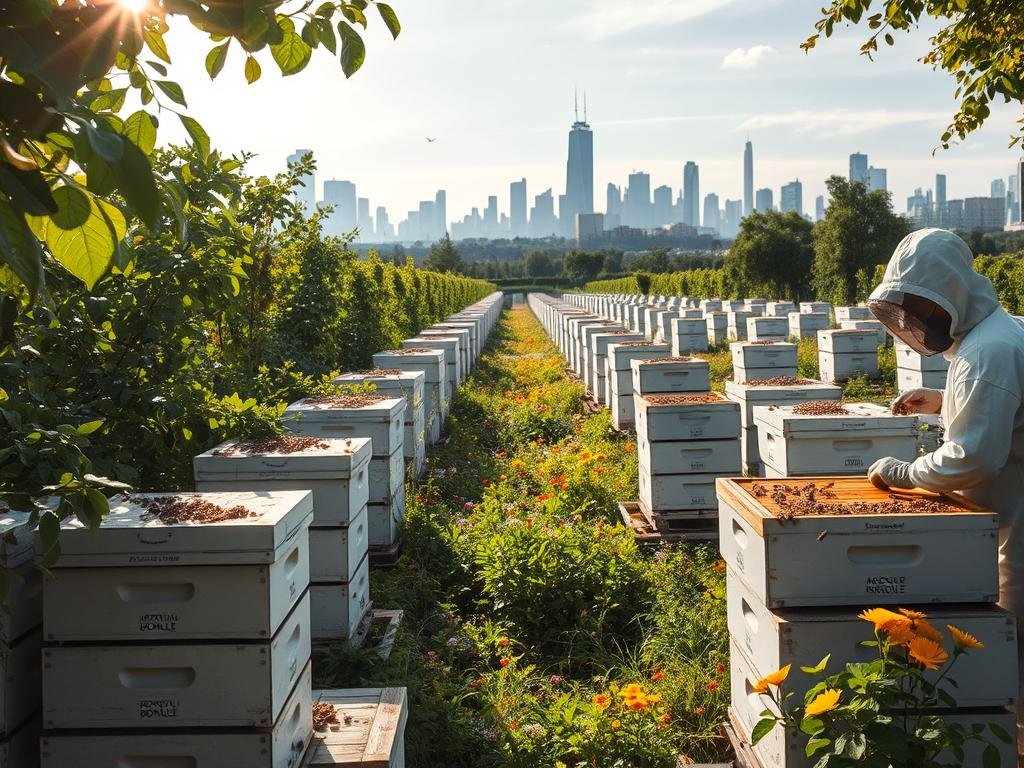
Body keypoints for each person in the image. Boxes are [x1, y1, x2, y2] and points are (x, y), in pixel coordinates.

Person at [865, 228, 1024, 754]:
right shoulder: (999, 335)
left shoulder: (987, 355)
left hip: (1016, 533)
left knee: (1013, 666)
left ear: (951, 292)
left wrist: (903, 473)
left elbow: (974, 459)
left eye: (921, 307)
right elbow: (1008, 408)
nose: (914, 323)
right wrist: (942, 400)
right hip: (1009, 514)